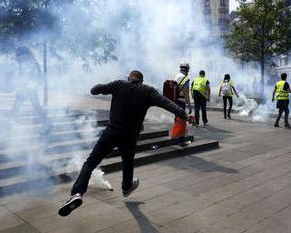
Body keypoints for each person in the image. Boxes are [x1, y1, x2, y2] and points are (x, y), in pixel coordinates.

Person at [58, 70, 188, 217]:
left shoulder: (119, 84)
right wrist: (184, 115)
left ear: (129, 78)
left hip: (112, 131)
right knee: (127, 162)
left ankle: (77, 194)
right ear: (141, 81)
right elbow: (167, 104)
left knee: (90, 163)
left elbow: (94, 90)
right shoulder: (148, 91)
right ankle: (126, 187)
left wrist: (104, 87)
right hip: (129, 136)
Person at [10, 46, 52, 133]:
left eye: (18, 52)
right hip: (29, 88)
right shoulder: (31, 60)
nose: (17, 54)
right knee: (36, 107)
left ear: (23, 53)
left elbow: (26, 74)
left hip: (27, 88)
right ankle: (47, 124)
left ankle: (8, 126)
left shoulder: (27, 60)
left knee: (16, 107)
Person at [172, 62, 192, 145]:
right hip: (181, 101)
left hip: (174, 101)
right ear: (187, 69)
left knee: (177, 120)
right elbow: (186, 93)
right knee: (181, 120)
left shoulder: (175, 76)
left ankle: (176, 139)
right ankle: (179, 140)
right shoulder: (185, 78)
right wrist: (189, 106)